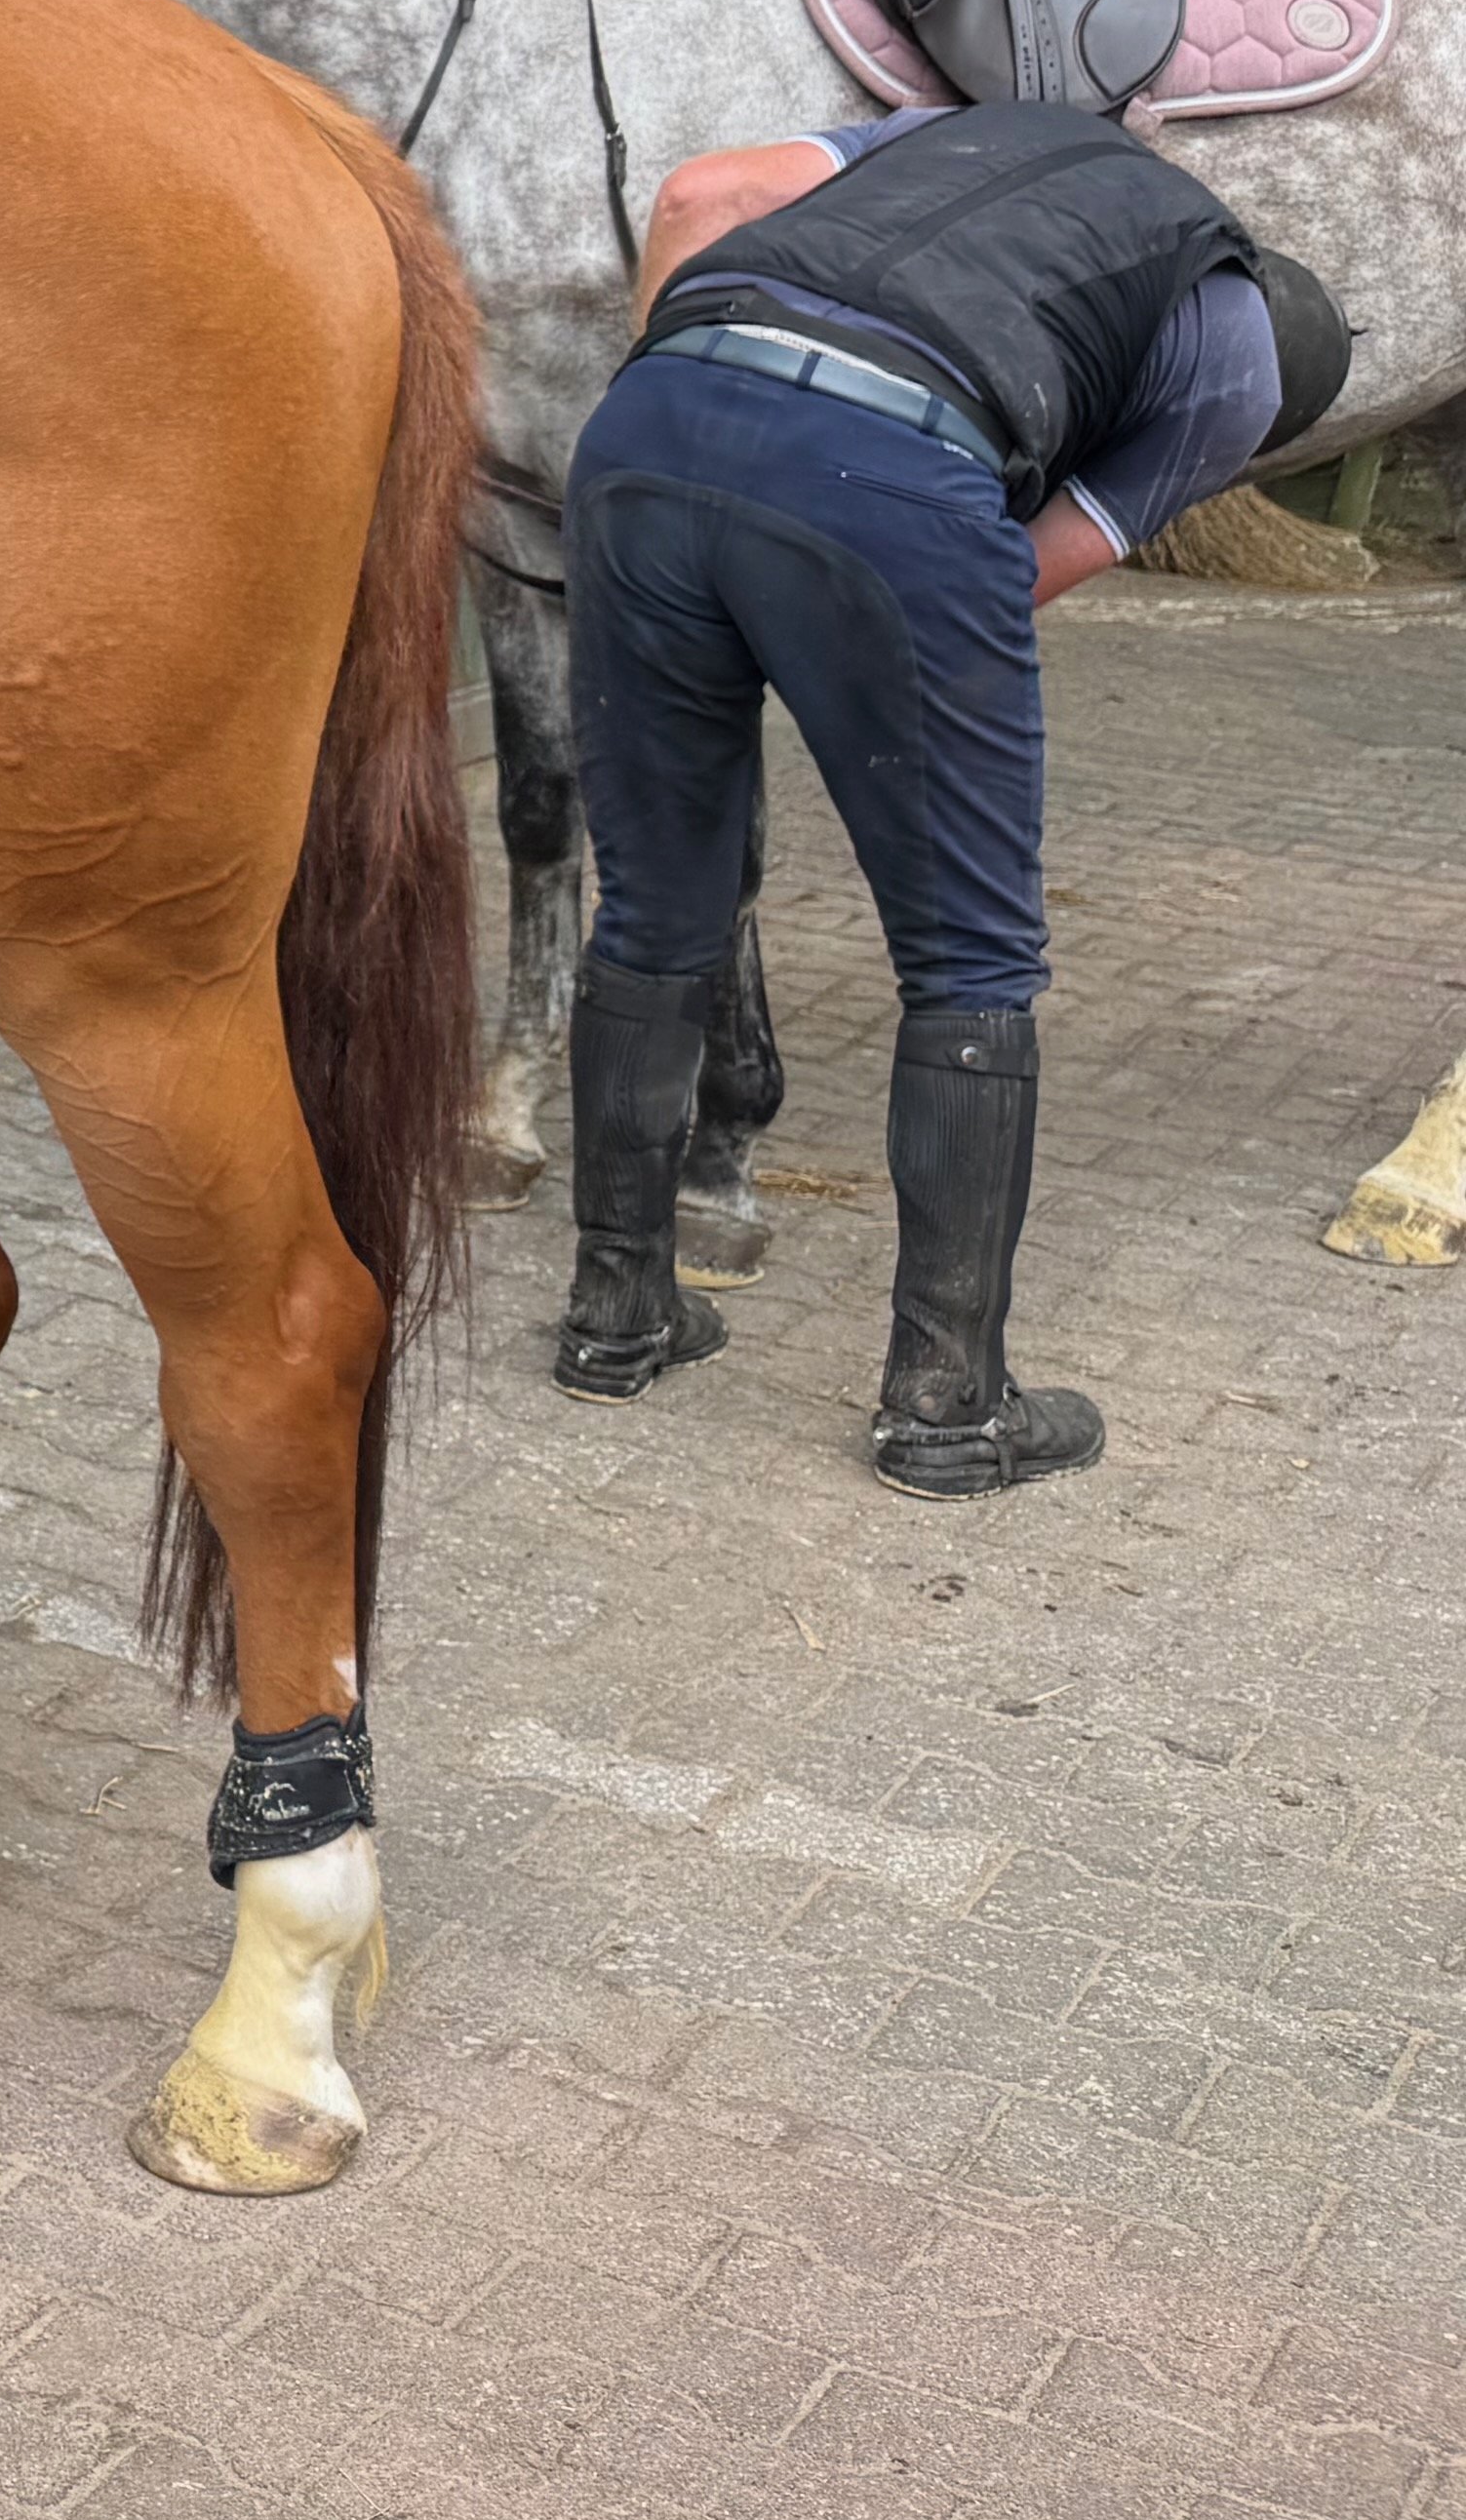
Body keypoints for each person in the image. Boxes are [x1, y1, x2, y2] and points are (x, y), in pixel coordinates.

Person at [550, 94, 1349, 1497]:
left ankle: (616, 1316)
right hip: (890, 467)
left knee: (655, 906)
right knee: (973, 956)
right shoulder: (1237, 367)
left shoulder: (977, 129)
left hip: (647, 427)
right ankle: (945, 1407)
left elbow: (697, 197)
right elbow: (1008, 573)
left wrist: (717, 461)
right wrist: (821, 583)